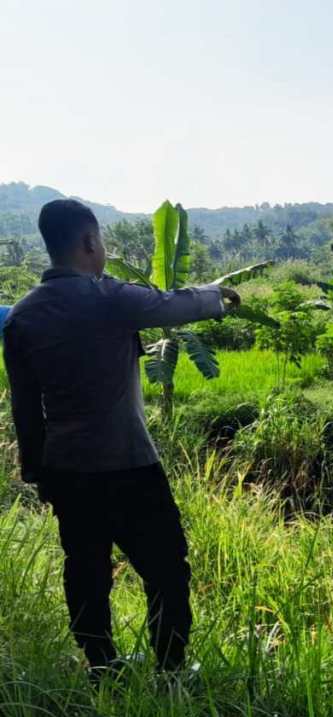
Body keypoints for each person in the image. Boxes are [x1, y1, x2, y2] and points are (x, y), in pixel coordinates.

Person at [1, 199, 240, 677]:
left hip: (66, 469)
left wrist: (36, 472)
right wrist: (221, 295)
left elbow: (25, 407)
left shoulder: (23, 316)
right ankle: (170, 671)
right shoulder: (109, 298)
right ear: (90, 242)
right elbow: (175, 304)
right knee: (167, 569)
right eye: (102, 240)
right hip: (129, 465)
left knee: (85, 569)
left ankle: (102, 666)